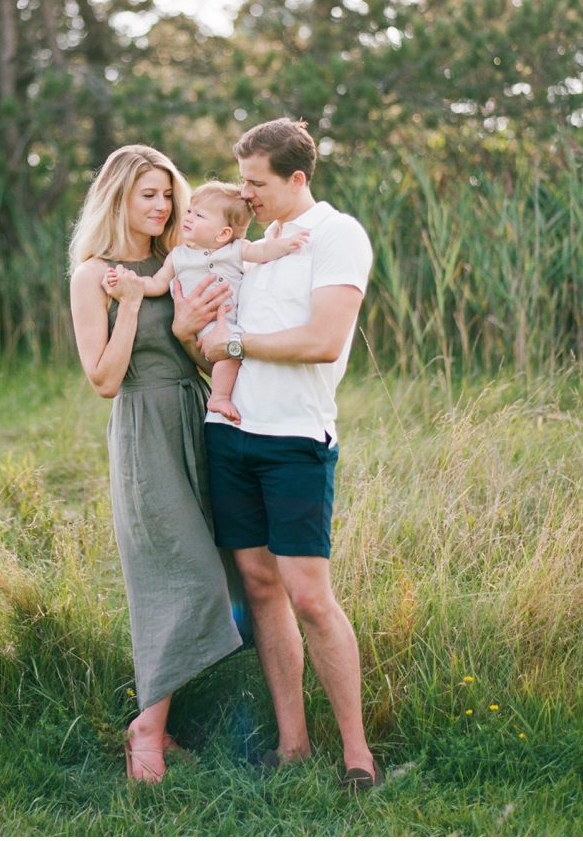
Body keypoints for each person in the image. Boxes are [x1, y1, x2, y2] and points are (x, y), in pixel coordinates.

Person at [171, 118, 381, 791]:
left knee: (310, 598)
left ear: (296, 178)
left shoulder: (337, 235)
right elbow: (206, 340)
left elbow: (321, 339)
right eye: (241, 181)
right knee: (260, 588)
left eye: (255, 183)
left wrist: (231, 347)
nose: (245, 193)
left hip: (294, 442)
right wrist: (193, 333)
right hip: (230, 437)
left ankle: (356, 756)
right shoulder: (249, 247)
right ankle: (292, 746)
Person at [69, 145, 243, 784]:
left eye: (169, 194)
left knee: (218, 571)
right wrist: (135, 305)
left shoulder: (180, 261)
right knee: (178, 573)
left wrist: (188, 332)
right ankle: (145, 725)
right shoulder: (94, 275)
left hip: (194, 417)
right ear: (118, 197)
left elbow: (202, 357)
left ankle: (160, 724)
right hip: (143, 428)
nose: (164, 206)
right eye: (150, 194)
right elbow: (104, 379)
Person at [105, 180, 309, 422]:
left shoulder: (235, 249)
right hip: (200, 326)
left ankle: (225, 397)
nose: (188, 217)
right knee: (230, 356)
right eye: (189, 211)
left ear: (223, 233)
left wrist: (286, 244)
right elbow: (157, 284)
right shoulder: (178, 255)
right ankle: (220, 397)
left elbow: (263, 252)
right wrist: (127, 282)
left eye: (199, 215)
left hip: (226, 325)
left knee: (233, 354)